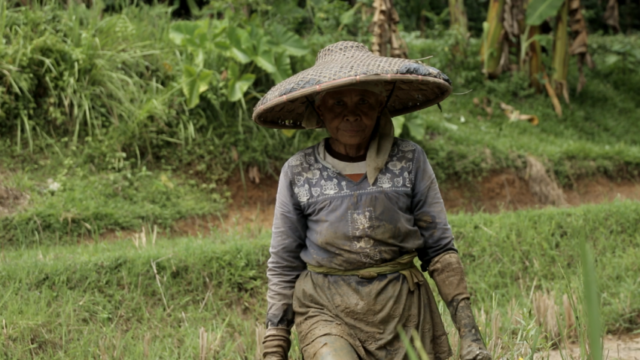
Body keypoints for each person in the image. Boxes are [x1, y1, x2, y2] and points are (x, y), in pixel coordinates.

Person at [252, 41, 491, 360]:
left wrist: (470, 336)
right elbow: (284, 261)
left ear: (381, 104)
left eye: (364, 100)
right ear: (320, 110)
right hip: (327, 308)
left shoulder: (409, 159)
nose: (351, 113)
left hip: (403, 310)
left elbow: (439, 249)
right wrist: (274, 346)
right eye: (337, 103)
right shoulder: (299, 171)